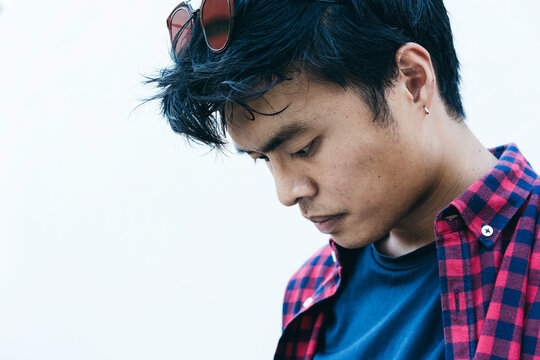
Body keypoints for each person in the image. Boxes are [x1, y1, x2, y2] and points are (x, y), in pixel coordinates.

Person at [152, 0, 540, 358]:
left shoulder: (531, 257)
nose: (287, 194)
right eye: (262, 159)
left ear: (412, 80)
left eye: (303, 148)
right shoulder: (310, 291)